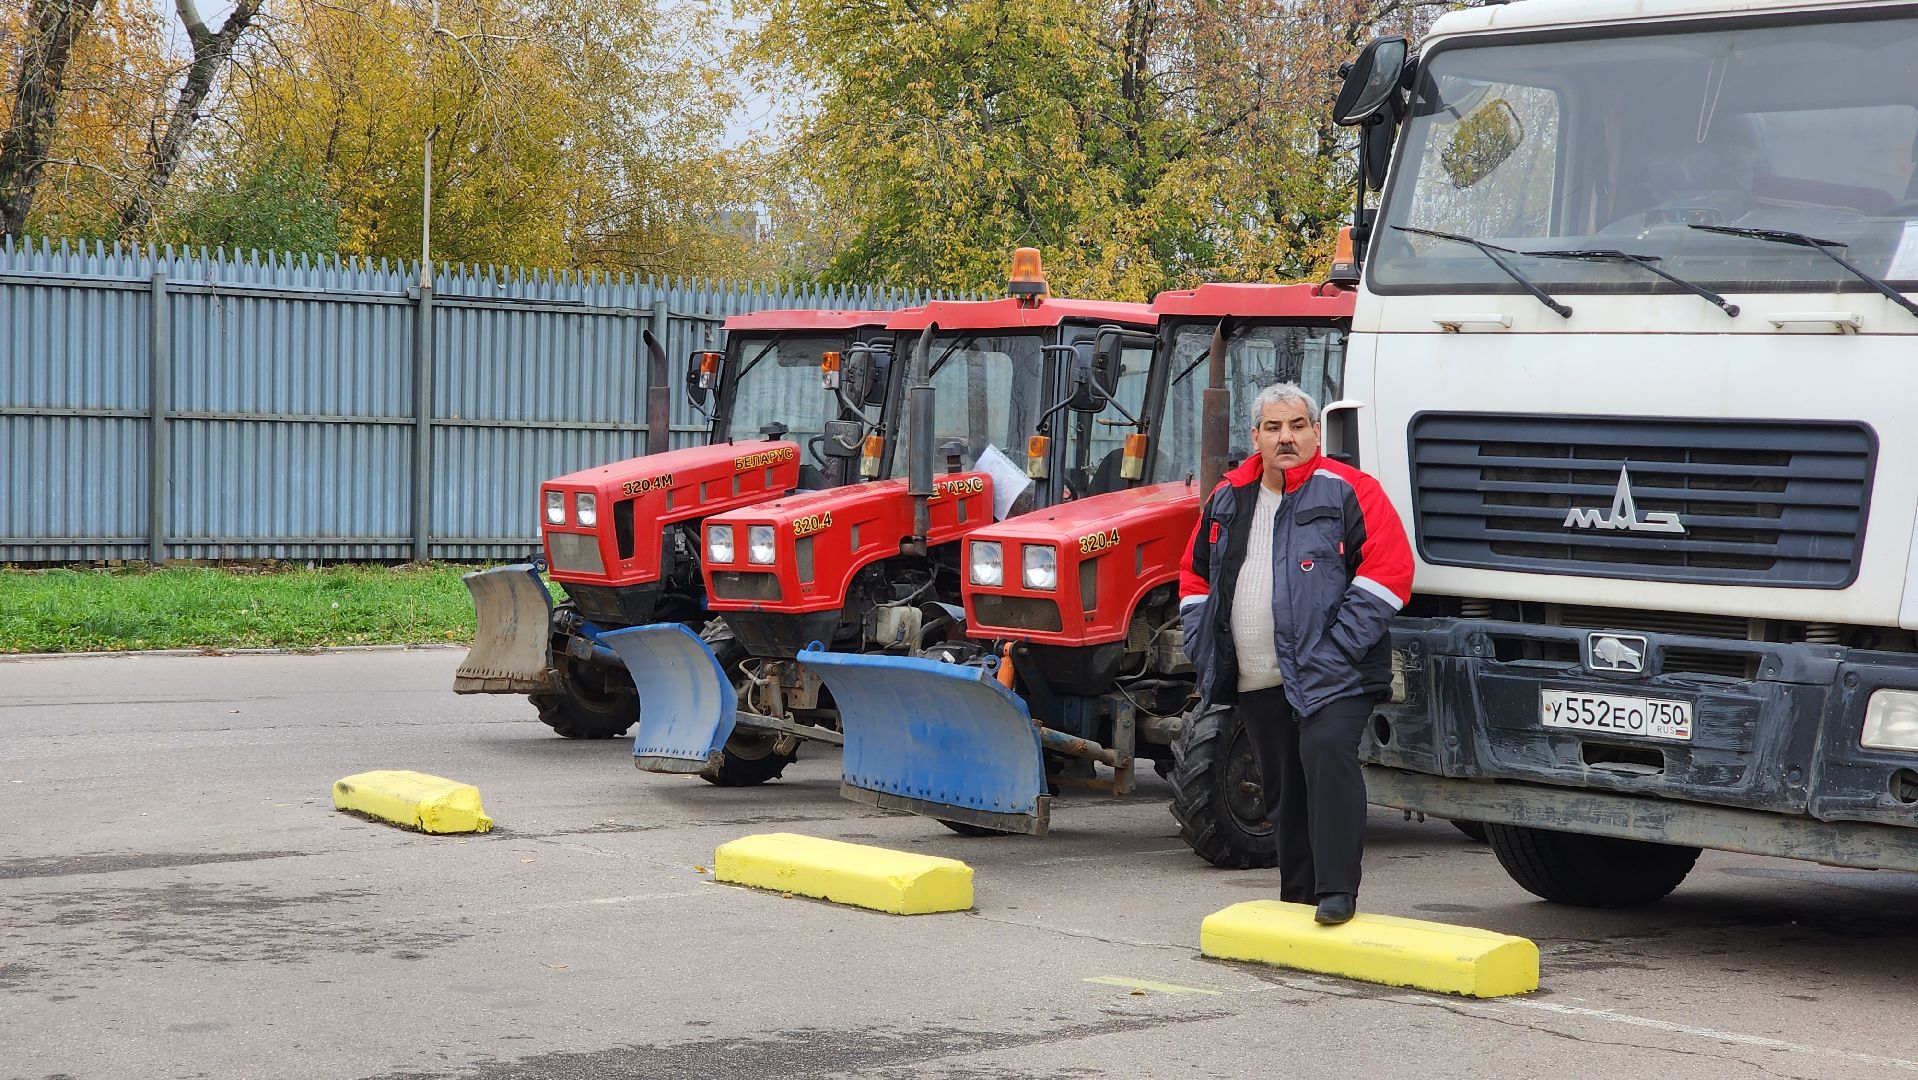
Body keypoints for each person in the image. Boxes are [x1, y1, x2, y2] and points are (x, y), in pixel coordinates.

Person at [1178, 382, 1413, 924]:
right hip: (1258, 674)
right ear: (1255, 436)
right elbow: (1193, 574)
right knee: (1284, 787)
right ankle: (1298, 894)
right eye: (1274, 427)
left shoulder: (1350, 490)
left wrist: (1339, 648)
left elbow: (1389, 571)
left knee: (1327, 762)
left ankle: (1336, 893)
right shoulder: (1227, 498)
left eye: (1297, 426)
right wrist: (1201, 636)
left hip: (1335, 673)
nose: (1286, 438)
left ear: (1315, 432)